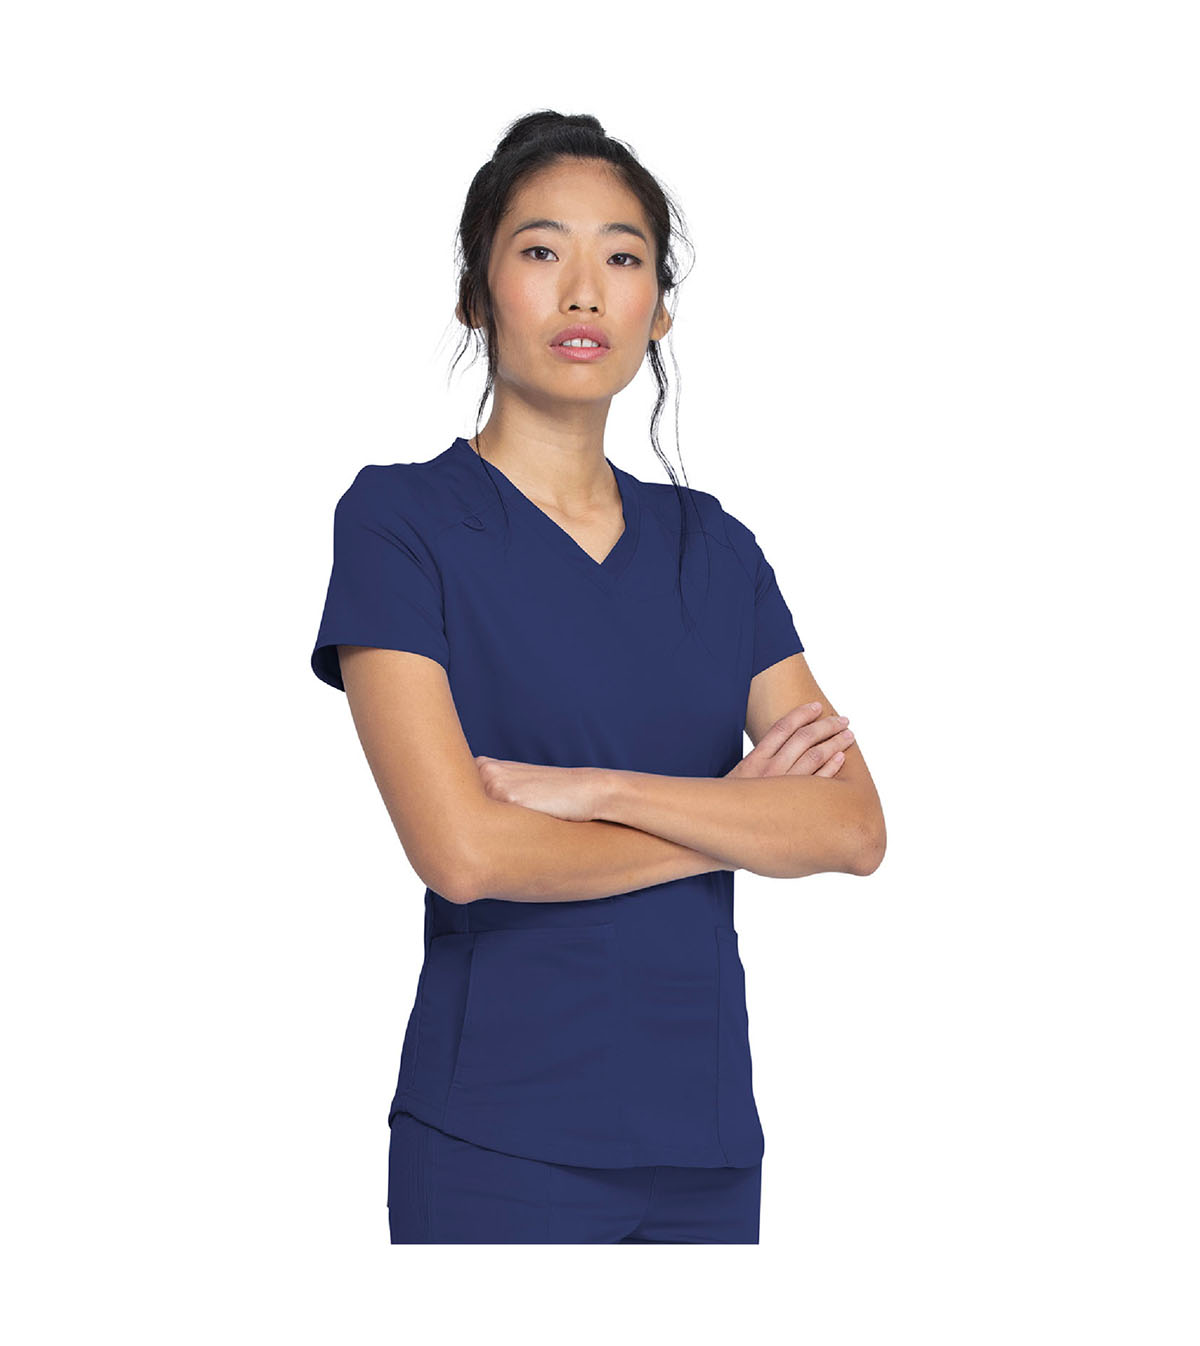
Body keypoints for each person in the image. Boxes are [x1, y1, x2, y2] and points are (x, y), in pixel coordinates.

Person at [310, 110, 886, 1244]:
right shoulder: (400, 521)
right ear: (475, 293)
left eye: (623, 258)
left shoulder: (713, 549)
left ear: (658, 308)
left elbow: (854, 827)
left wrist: (598, 791)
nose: (584, 292)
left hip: (706, 1143)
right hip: (495, 1141)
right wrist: (733, 820)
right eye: (541, 251)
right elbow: (465, 853)